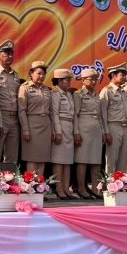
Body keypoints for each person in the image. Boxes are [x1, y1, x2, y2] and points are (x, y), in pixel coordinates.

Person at [18, 61, 56, 178]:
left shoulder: (46, 89)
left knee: (42, 158)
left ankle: (40, 187)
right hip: (31, 124)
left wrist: (53, 129)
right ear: (31, 73)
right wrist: (25, 129)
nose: (41, 76)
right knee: (32, 158)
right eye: (39, 73)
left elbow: (51, 111)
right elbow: (22, 110)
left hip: (46, 125)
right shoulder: (25, 88)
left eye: (44, 74)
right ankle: (30, 187)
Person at [73, 68, 106, 198]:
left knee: (96, 161)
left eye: (95, 79)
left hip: (96, 129)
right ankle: (81, 188)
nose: (93, 81)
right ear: (82, 80)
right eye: (90, 79)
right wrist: (76, 132)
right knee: (82, 160)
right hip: (84, 129)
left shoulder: (96, 95)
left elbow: (100, 115)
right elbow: (75, 115)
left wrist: (103, 131)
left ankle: (96, 188)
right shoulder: (78, 94)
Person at [0, 40, 22, 163]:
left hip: (14, 118)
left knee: (12, 155)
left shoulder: (16, 75)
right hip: (0, 116)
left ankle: (10, 181)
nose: (10, 56)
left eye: (11, 53)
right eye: (6, 54)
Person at [100, 63, 127, 174]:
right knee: (111, 158)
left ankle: (120, 185)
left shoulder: (123, 92)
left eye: (125, 75)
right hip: (113, 126)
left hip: (125, 128)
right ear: (113, 76)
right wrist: (106, 132)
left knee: (123, 159)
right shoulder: (106, 91)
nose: (124, 77)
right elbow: (102, 114)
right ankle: (109, 184)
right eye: (122, 75)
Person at [51, 68, 77, 199]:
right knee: (58, 161)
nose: (69, 82)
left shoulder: (69, 94)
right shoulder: (55, 94)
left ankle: (66, 188)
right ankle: (58, 188)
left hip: (69, 126)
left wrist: (75, 131)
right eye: (67, 80)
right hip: (60, 126)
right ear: (59, 80)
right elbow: (54, 113)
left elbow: (74, 115)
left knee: (67, 161)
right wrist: (58, 131)